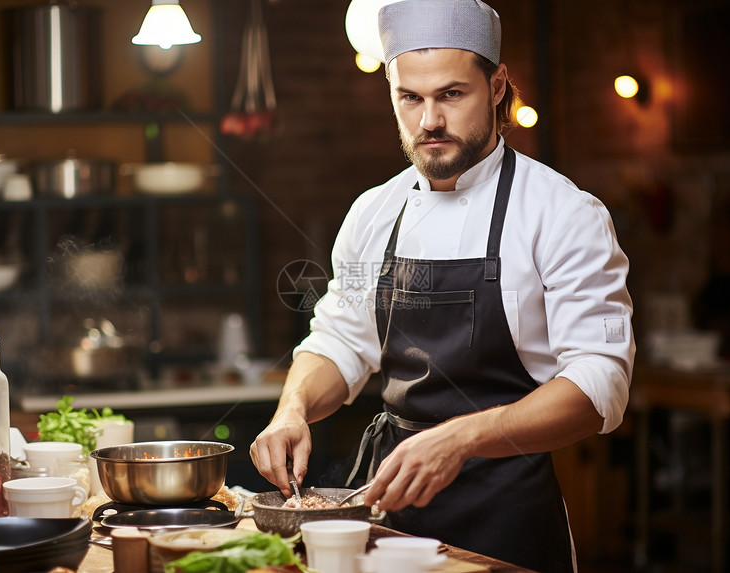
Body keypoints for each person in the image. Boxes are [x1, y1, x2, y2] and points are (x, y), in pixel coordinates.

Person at [250, 1, 635, 570]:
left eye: (451, 95)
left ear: (497, 85)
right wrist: (293, 408)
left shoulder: (563, 212)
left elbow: (600, 383)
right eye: (410, 98)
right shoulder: (373, 212)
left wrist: (460, 439)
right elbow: (340, 340)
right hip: (386, 515)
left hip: (506, 516)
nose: (429, 120)